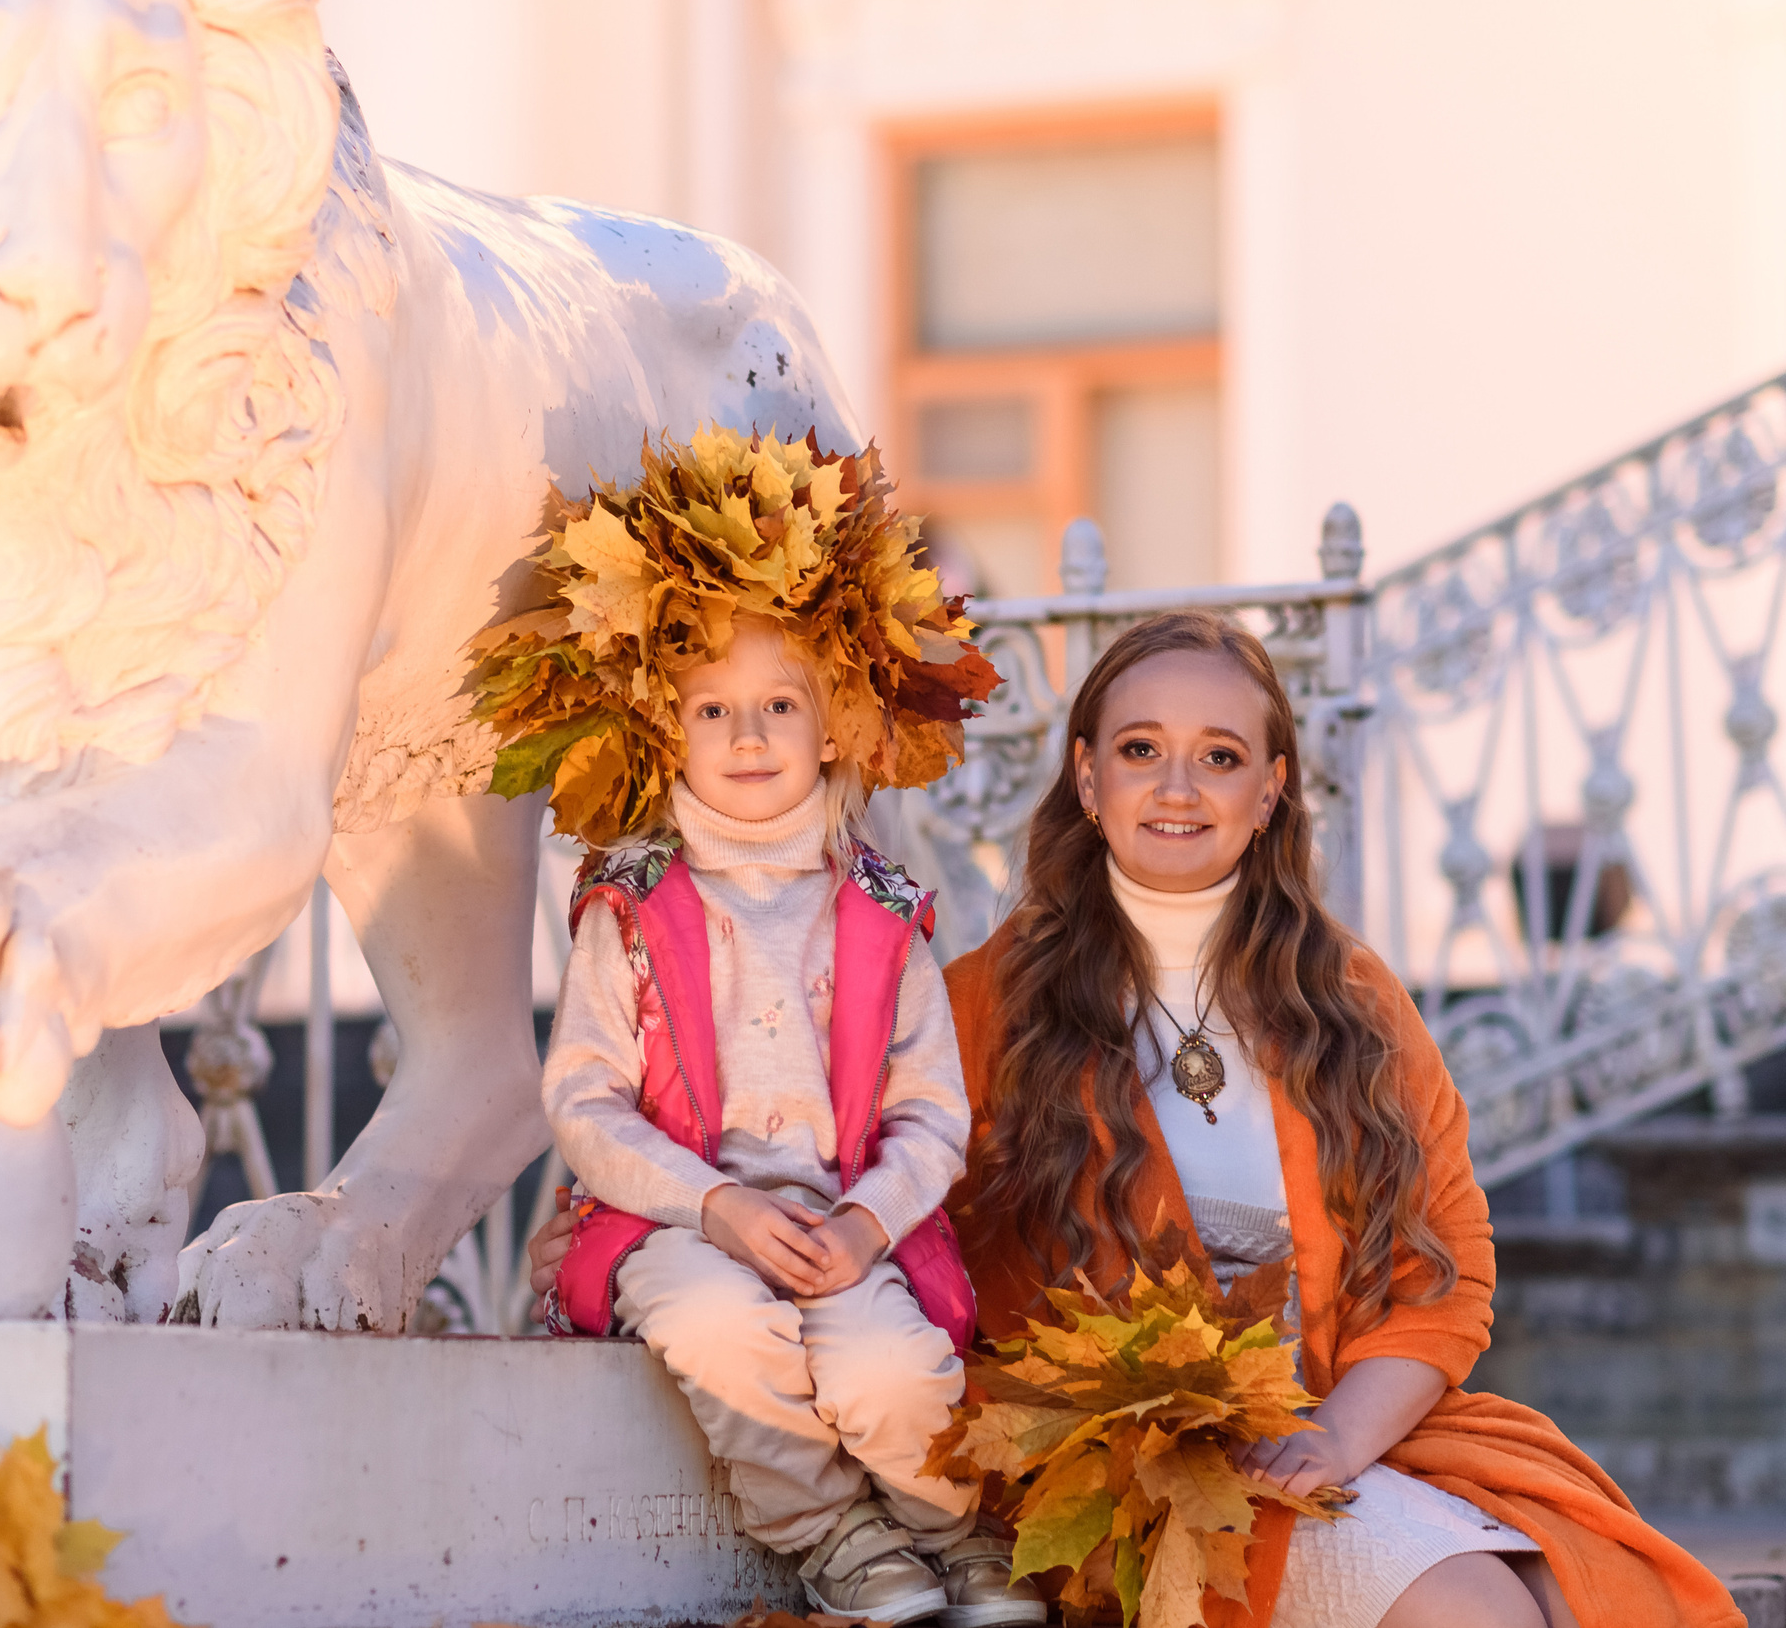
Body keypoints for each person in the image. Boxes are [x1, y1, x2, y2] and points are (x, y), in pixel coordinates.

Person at [535, 609, 1742, 1628]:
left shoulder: (1355, 998)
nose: (1176, 785)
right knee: (1471, 1612)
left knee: (1582, 1593)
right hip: (1130, 1475)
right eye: (1140, 748)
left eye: (1219, 755)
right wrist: (638, 1225)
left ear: (1270, 789)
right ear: (1086, 776)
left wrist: (1336, 1437)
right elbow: (862, 1189)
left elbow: (1449, 1270)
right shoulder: (984, 1005)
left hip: (1357, 1434)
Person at [474, 429, 1042, 1627]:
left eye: (779, 704)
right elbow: (584, 1099)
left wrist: (866, 1221)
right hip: (676, 1218)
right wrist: (718, 1205)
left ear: (831, 726)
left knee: (888, 1369)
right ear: (666, 725)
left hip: (839, 1220)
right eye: (713, 707)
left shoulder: (881, 913)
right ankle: (832, 1533)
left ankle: (952, 1527)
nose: (746, 735)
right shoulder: (631, 903)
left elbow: (931, 1112)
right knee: (723, 1330)